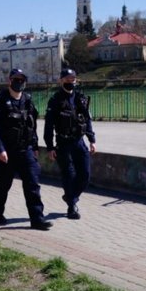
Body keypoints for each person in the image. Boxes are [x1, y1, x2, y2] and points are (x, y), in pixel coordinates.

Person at [0, 68, 52, 231]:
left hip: (26, 150)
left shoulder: (28, 100)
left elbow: (32, 125)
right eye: (16, 79)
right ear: (9, 81)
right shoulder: (1, 100)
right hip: (7, 152)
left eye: (22, 79)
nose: (19, 82)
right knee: (3, 185)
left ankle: (37, 219)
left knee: (33, 184)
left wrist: (35, 145)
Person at [44, 68, 96, 220]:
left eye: (72, 79)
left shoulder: (80, 98)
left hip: (79, 142)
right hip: (63, 143)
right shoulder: (55, 100)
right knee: (69, 175)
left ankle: (70, 197)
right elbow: (49, 125)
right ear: (61, 80)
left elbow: (87, 120)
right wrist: (50, 146)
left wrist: (92, 140)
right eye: (67, 79)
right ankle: (72, 206)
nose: (70, 81)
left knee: (85, 175)